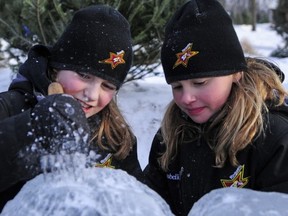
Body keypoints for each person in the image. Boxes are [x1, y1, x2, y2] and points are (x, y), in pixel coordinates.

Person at [143, 0, 288, 215]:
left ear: (236, 73)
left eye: (200, 83)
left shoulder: (274, 138)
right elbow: (150, 202)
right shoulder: (171, 135)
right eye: (177, 86)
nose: (187, 98)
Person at [0, 5, 143, 211]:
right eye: (84, 75)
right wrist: (32, 128)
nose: (92, 95)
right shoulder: (9, 107)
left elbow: (134, 199)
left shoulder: (115, 135)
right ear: (57, 67)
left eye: (108, 86)